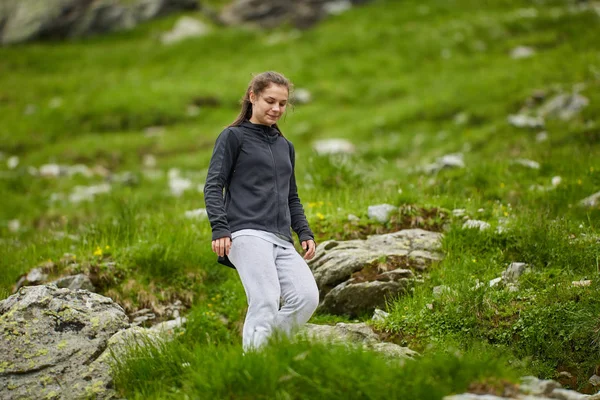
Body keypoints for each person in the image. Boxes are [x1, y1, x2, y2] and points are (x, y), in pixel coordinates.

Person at [203, 71, 320, 352]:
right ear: (252, 97)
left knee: (306, 298)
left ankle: (266, 354)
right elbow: (213, 185)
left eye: (282, 103)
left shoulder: (285, 146)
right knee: (266, 300)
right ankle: (254, 368)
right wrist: (220, 228)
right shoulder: (233, 137)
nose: (276, 109)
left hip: (281, 238)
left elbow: (292, 195)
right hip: (245, 233)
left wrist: (303, 231)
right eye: (270, 101)